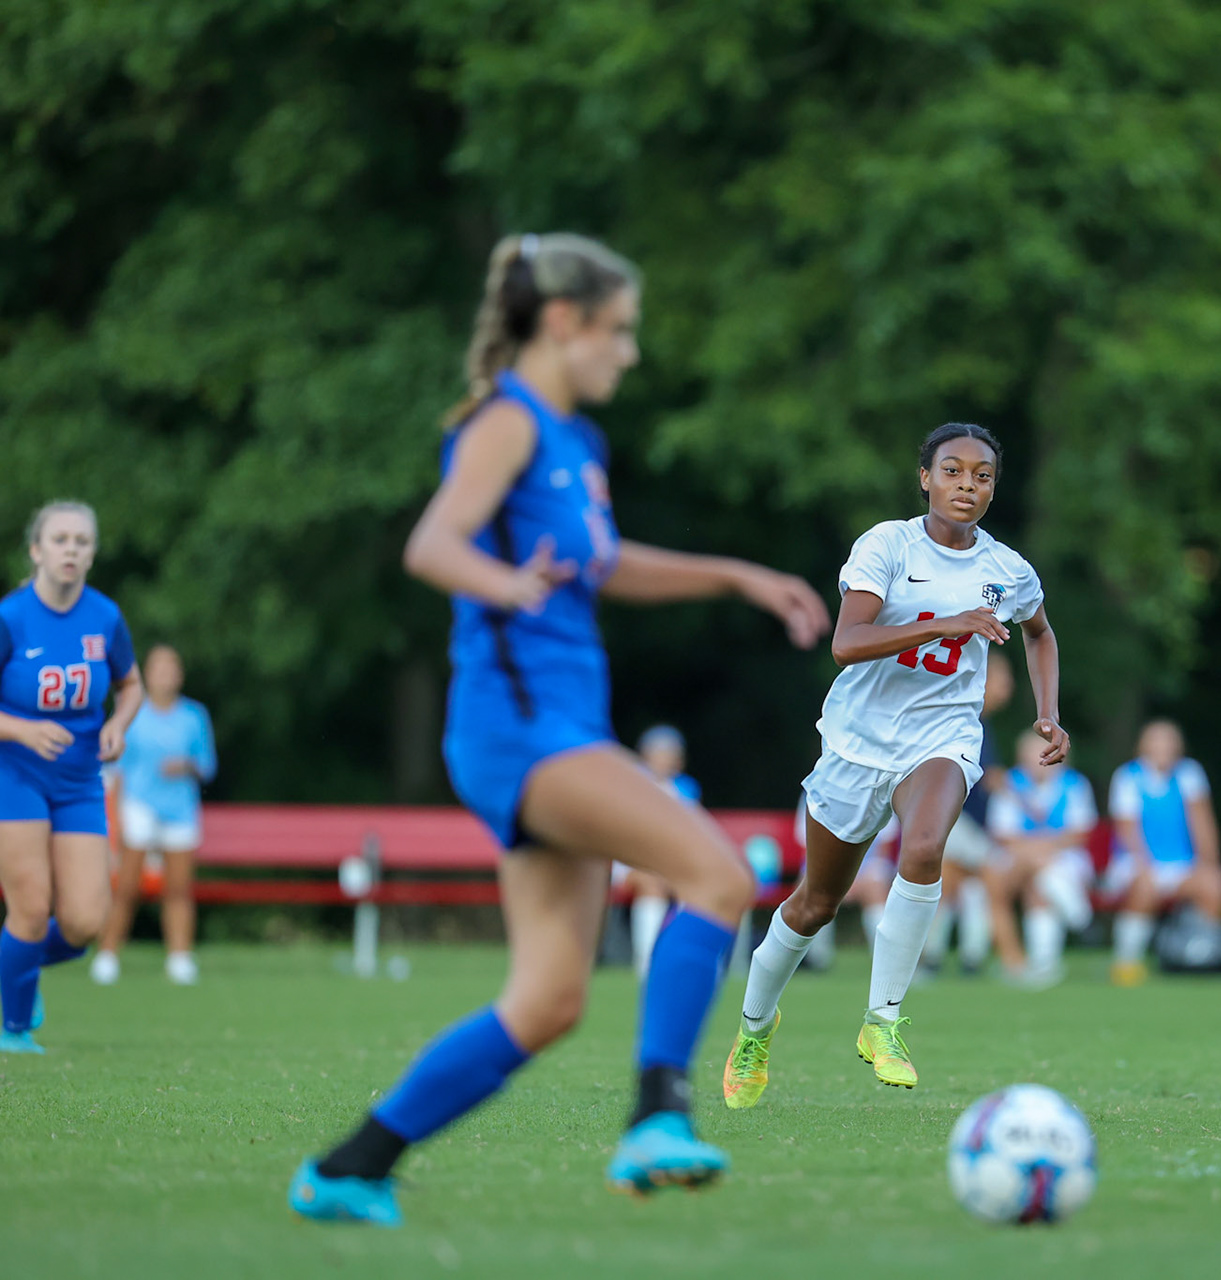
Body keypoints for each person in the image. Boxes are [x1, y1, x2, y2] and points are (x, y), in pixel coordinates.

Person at [289, 232, 829, 1225]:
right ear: (565, 324)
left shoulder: (579, 443)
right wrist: (506, 583)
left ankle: (350, 1166)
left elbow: (604, 562)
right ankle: (658, 1114)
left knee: (547, 1001)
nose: (628, 352)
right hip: (521, 730)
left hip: (559, 726)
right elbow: (434, 542)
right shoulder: (508, 421)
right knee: (715, 872)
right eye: (619, 331)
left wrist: (737, 573)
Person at [722, 421, 1065, 1107]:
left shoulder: (1008, 569)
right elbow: (846, 643)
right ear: (925, 478)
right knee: (814, 904)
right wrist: (946, 622)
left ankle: (883, 1021)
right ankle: (754, 1030)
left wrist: (1047, 712)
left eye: (983, 475)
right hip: (856, 744)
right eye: (953, 470)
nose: (967, 484)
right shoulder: (888, 544)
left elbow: (1040, 633)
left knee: (929, 843)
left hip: (942, 734)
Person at [0, 501, 143, 1053]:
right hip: (16, 776)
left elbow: (130, 686)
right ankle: (14, 1028)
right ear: (37, 550)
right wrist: (19, 730)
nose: (71, 550)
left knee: (84, 923)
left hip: (81, 780)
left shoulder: (105, 617)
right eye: (59, 539)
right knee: (31, 910)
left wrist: (118, 723)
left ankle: (15, 965)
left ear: (92, 554)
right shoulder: (11, 618)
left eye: (82, 542)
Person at [92, 644, 217, 987]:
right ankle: (108, 954)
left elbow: (207, 766)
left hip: (180, 811)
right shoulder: (131, 714)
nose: (165, 675)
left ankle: (179, 957)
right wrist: (114, 824)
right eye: (159, 668)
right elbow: (114, 773)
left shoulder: (194, 716)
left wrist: (187, 766)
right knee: (127, 886)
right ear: (147, 673)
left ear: (179, 675)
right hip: (139, 806)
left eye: (171, 668)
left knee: (178, 888)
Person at [1105, 720, 1221, 986]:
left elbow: (1203, 825)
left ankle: (1201, 956)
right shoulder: (1128, 777)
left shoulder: (1190, 774)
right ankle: (1127, 960)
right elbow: (1129, 833)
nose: (1163, 747)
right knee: (1144, 889)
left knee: (1216, 886)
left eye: (1169, 741)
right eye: (1156, 740)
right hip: (1135, 862)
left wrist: (1209, 865)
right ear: (1143, 746)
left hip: (1181, 864)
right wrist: (1145, 869)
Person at [923, 650, 1018, 977]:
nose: (1009, 687)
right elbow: (985, 777)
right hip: (952, 820)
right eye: (1004, 680)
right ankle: (1013, 963)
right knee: (994, 875)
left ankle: (934, 961)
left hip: (956, 823)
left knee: (950, 884)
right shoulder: (969, 719)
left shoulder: (979, 720)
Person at [987, 728, 1099, 986]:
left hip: (1065, 858)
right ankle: (1078, 917)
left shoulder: (1074, 784)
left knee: (1040, 883)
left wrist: (1042, 850)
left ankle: (1044, 962)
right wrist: (1037, 852)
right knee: (1030, 875)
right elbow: (1003, 835)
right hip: (1020, 856)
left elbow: (1080, 833)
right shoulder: (1010, 784)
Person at [613, 724, 697, 977]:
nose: (664, 760)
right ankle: (647, 963)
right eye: (659, 754)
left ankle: (683, 956)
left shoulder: (686, 791)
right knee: (652, 885)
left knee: (694, 888)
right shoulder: (631, 787)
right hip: (632, 863)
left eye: (670, 755)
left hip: (670, 866)